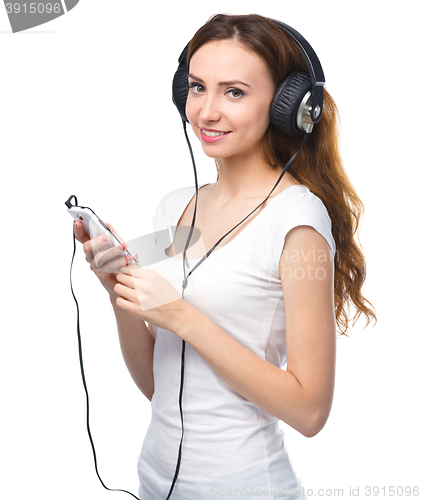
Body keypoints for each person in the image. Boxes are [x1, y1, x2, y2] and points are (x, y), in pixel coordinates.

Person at [73, 13, 376, 500]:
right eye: (196, 87)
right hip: (155, 480)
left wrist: (181, 317)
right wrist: (118, 291)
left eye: (234, 92)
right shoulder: (177, 206)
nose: (206, 112)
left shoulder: (299, 221)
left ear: (287, 107)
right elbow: (160, 386)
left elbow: (310, 412)